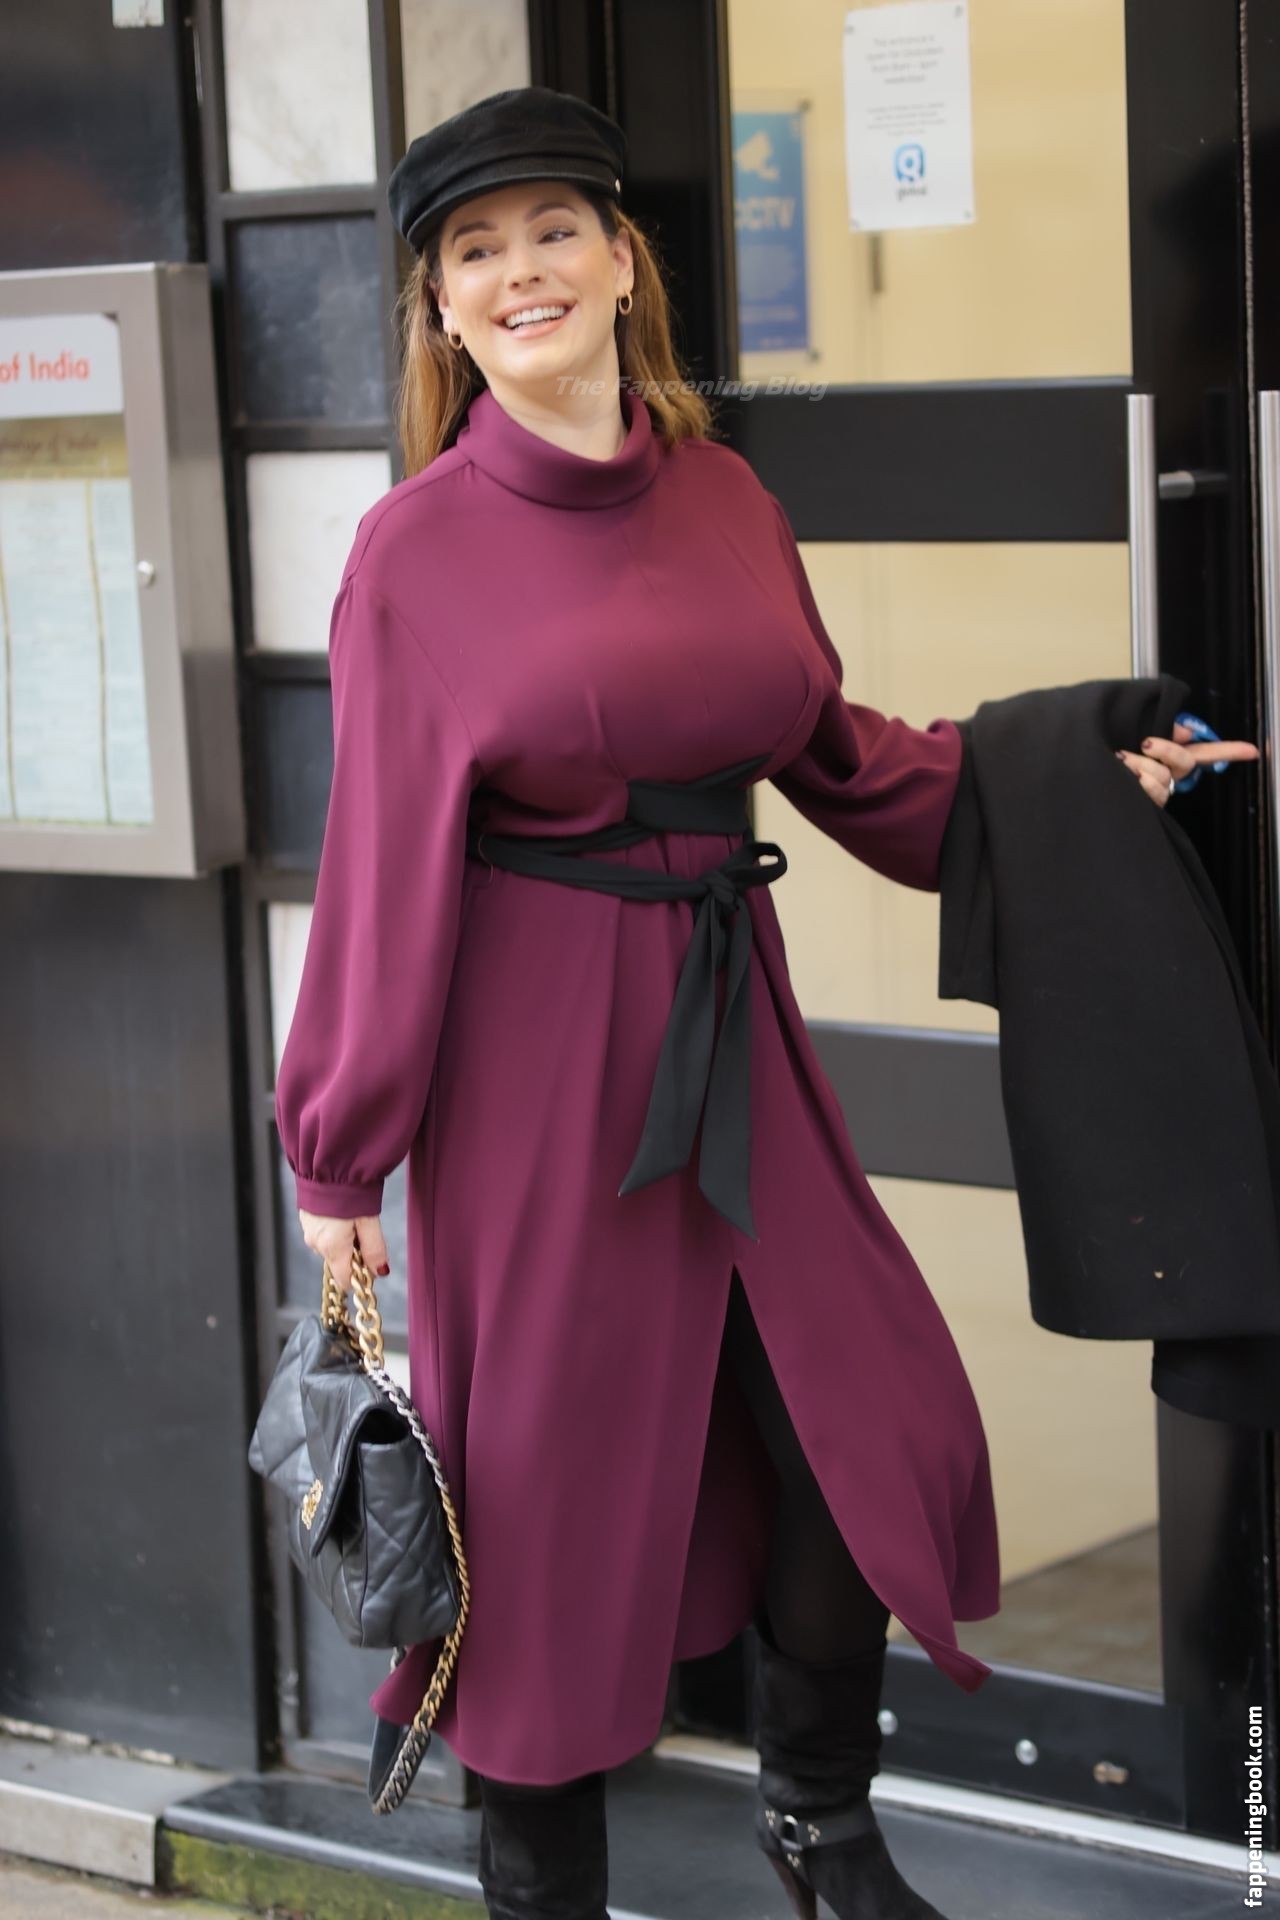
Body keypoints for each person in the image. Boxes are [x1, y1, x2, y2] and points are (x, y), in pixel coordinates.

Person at [273, 85, 1259, 1920]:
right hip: (539, 1079)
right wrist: (341, 1160)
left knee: (861, 1426)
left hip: (740, 1038)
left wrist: (1073, 775)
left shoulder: (723, 495)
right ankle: (543, 1892)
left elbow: (842, 756)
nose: (520, 272)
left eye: (553, 231)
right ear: (445, 311)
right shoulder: (416, 552)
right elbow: (384, 868)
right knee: (546, 1513)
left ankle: (821, 1831)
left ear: (620, 261)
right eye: (476, 253)